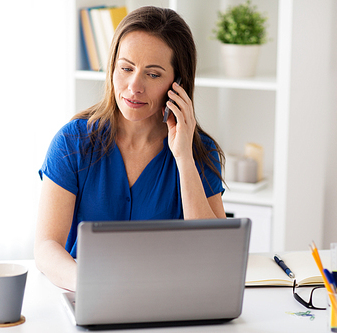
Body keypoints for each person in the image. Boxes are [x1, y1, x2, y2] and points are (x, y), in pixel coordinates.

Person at [35, 6, 226, 291]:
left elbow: (215, 253)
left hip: (166, 297)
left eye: (153, 74)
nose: (134, 86)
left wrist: (184, 157)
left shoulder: (199, 151)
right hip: (86, 292)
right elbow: (46, 246)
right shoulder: (72, 143)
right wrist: (88, 284)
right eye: (126, 68)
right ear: (112, 68)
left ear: (178, 84)